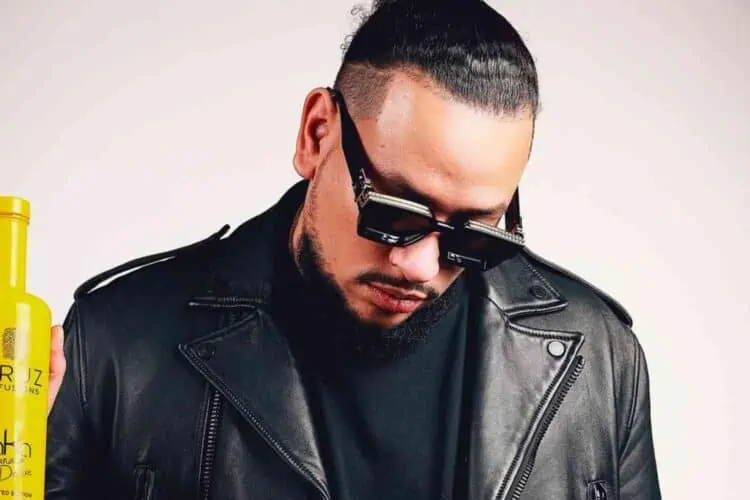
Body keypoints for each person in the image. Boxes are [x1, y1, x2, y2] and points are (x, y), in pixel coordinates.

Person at [44, 0, 661, 498]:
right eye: (395, 213)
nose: (421, 265)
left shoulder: (600, 359)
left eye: (475, 234)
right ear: (317, 134)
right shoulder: (115, 344)